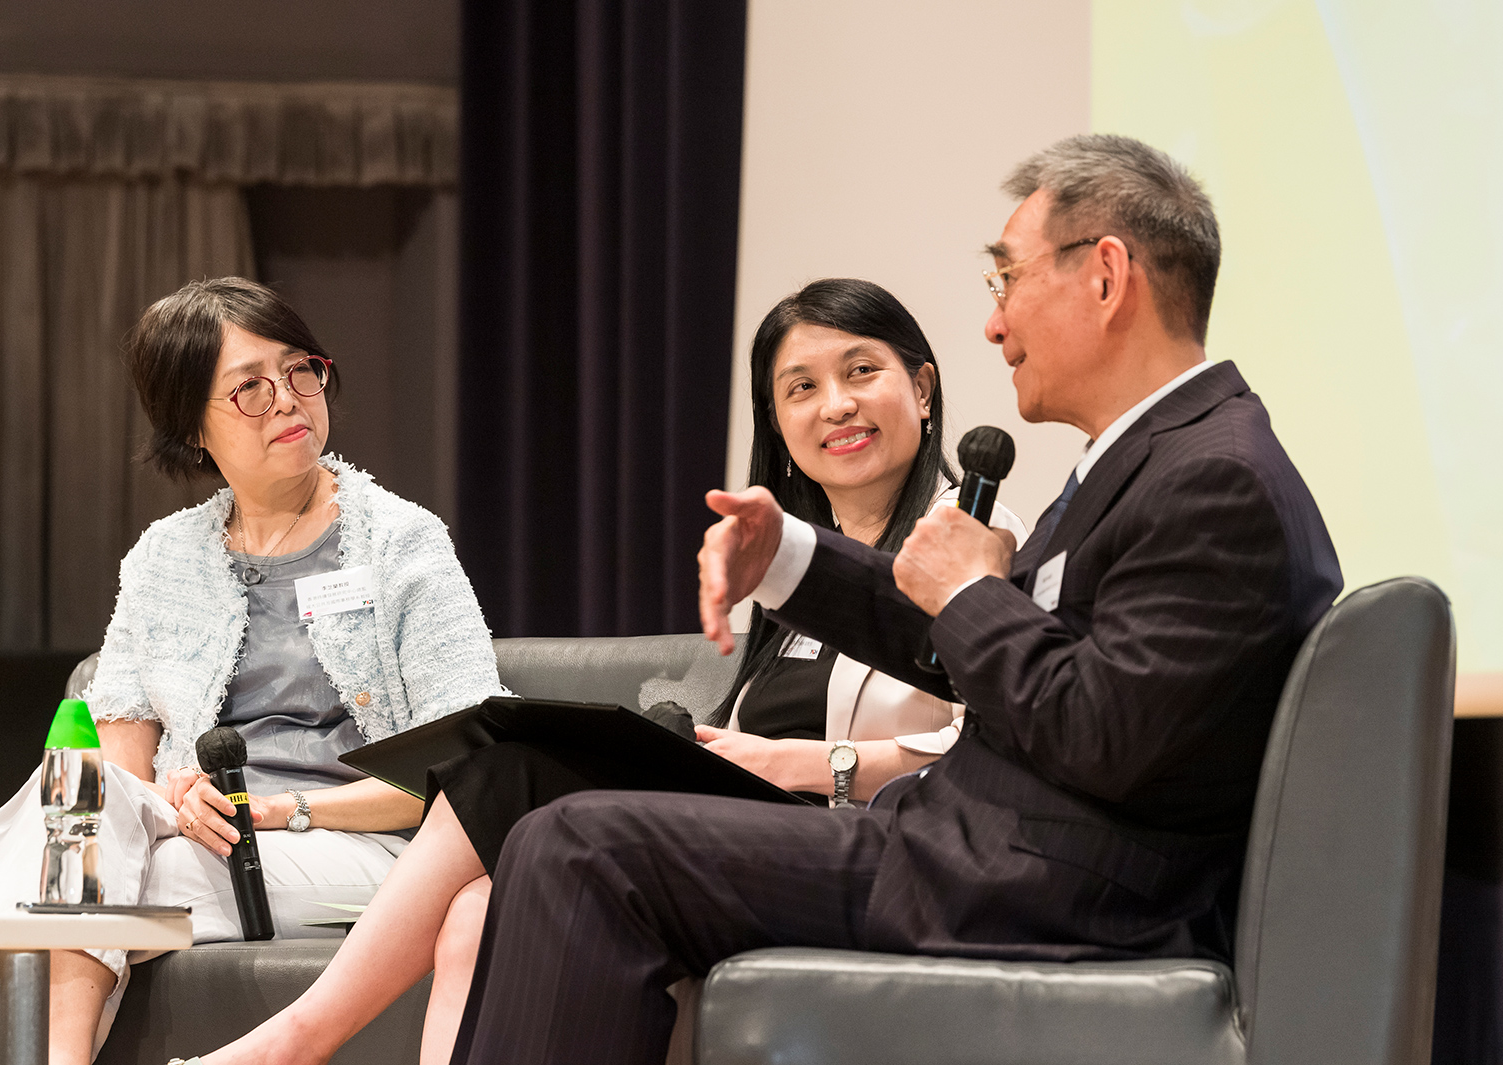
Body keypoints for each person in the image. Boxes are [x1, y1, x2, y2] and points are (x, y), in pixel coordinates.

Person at [440, 133, 1345, 1065]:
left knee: (581, 849)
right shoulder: (1160, 458)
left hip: (1033, 883)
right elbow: (980, 651)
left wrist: (971, 591)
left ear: (1106, 276)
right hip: (977, 851)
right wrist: (787, 555)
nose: (993, 326)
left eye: (1007, 280)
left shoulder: (1213, 479)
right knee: (569, 833)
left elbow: (1103, 731)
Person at [177, 278, 1022, 1065]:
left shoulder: (979, 533)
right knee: (477, 909)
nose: (834, 404)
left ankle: (291, 1041)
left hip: (851, 842)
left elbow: (997, 757)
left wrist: (808, 764)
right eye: (801, 387)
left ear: (923, 387)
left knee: (508, 768)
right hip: (755, 831)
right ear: (778, 425)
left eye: (860, 371)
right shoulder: (790, 570)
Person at [0, 278, 504, 1065]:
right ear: (193, 425)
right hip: (198, 838)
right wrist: (175, 794)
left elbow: (471, 765)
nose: (289, 401)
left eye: (300, 372)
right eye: (250, 389)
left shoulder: (402, 541)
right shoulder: (165, 557)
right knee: (68, 818)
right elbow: (115, 770)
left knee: (36, 878)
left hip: (360, 847)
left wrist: (280, 808)